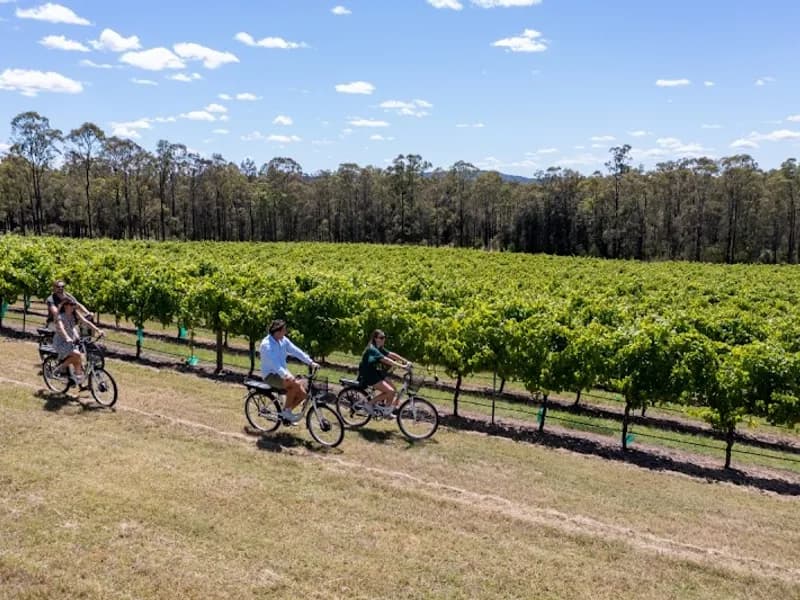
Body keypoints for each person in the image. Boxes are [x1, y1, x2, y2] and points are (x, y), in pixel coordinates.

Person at [259, 319, 319, 423]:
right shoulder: (266, 345)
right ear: (277, 331)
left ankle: (287, 413)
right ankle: (286, 412)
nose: (285, 332)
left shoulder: (283, 340)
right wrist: (286, 375)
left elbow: (296, 351)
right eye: (284, 330)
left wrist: (310, 362)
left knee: (303, 395)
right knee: (294, 385)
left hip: (282, 373)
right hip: (271, 375)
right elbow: (275, 364)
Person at [358, 329, 411, 416]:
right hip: (368, 375)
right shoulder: (372, 349)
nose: (384, 339)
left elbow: (391, 354)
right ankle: (369, 404)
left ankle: (386, 411)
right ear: (375, 339)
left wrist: (405, 361)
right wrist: (402, 366)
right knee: (390, 391)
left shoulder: (379, 348)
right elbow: (386, 359)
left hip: (376, 372)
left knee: (393, 390)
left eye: (384, 337)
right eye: (381, 337)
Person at [52, 297, 104, 384]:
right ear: (66, 306)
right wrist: (67, 337)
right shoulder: (61, 316)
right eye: (71, 305)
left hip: (71, 341)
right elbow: (61, 328)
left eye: (74, 305)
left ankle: (77, 379)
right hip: (61, 342)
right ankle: (59, 369)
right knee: (77, 355)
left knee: (78, 359)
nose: (73, 307)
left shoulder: (75, 314)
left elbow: (86, 322)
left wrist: (98, 330)